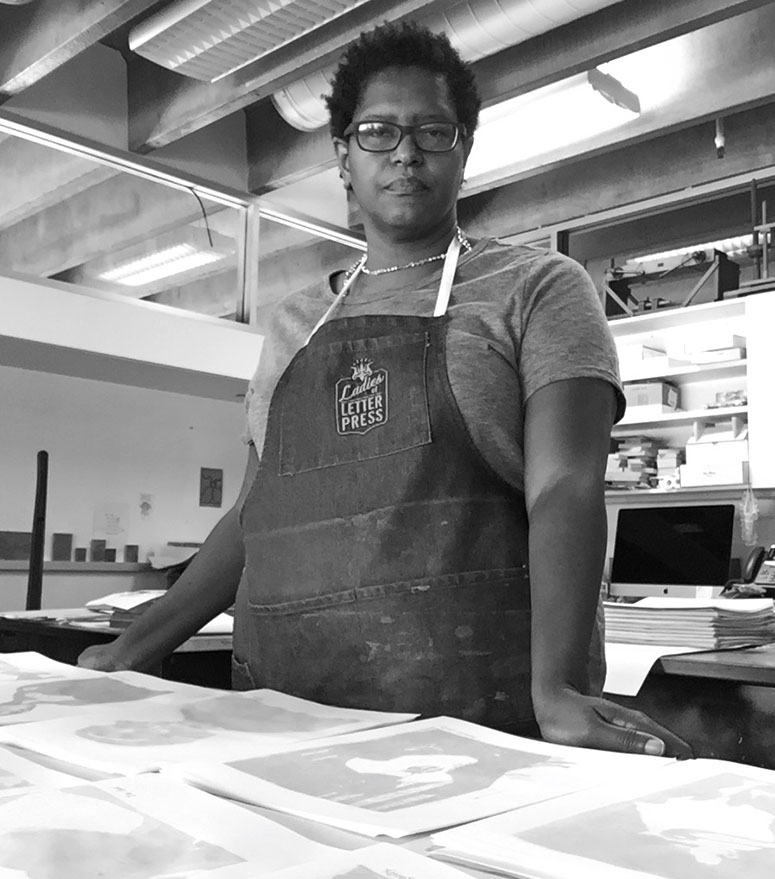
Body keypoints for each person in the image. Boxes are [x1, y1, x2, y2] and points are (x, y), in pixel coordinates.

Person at [79, 21, 690, 758]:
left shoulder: (538, 289)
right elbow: (253, 516)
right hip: (284, 710)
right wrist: (136, 645)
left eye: (434, 131)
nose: (406, 152)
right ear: (343, 156)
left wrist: (557, 688)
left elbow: (563, 486)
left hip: (471, 712)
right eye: (378, 132)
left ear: (464, 150)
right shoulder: (293, 324)